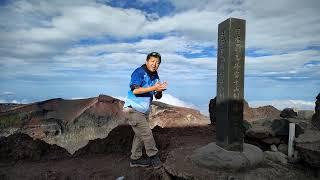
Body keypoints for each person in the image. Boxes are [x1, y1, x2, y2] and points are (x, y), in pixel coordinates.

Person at [123, 52, 167, 168]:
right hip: (132, 109)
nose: (155, 64)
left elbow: (157, 96)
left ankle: (135, 159)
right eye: (152, 61)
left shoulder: (155, 76)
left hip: (144, 110)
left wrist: (160, 90)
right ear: (147, 61)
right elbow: (135, 91)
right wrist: (154, 87)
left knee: (140, 135)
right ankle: (153, 157)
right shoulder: (139, 72)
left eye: (157, 63)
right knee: (147, 134)